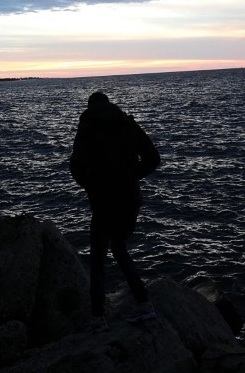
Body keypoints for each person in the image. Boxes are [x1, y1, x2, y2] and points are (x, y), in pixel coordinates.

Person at [69, 91, 160, 329]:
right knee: (119, 249)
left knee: (98, 260)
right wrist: (131, 178)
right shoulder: (127, 123)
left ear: (90, 106)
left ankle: (98, 318)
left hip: (104, 201)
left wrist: (91, 185)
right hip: (130, 199)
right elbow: (153, 158)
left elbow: (75, 166)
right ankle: (145, 306)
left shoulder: (88, 126)